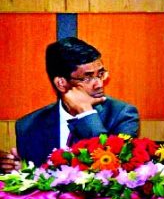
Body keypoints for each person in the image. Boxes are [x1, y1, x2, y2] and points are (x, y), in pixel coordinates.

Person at [0, 37, 139, 173]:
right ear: (61, 83)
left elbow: (114, 166)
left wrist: (86, 113)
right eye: (88, 77)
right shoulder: (28, 126)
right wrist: (23, 171)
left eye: (101, 74)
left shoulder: (123, 115)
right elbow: (38, 180)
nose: (99, 84)